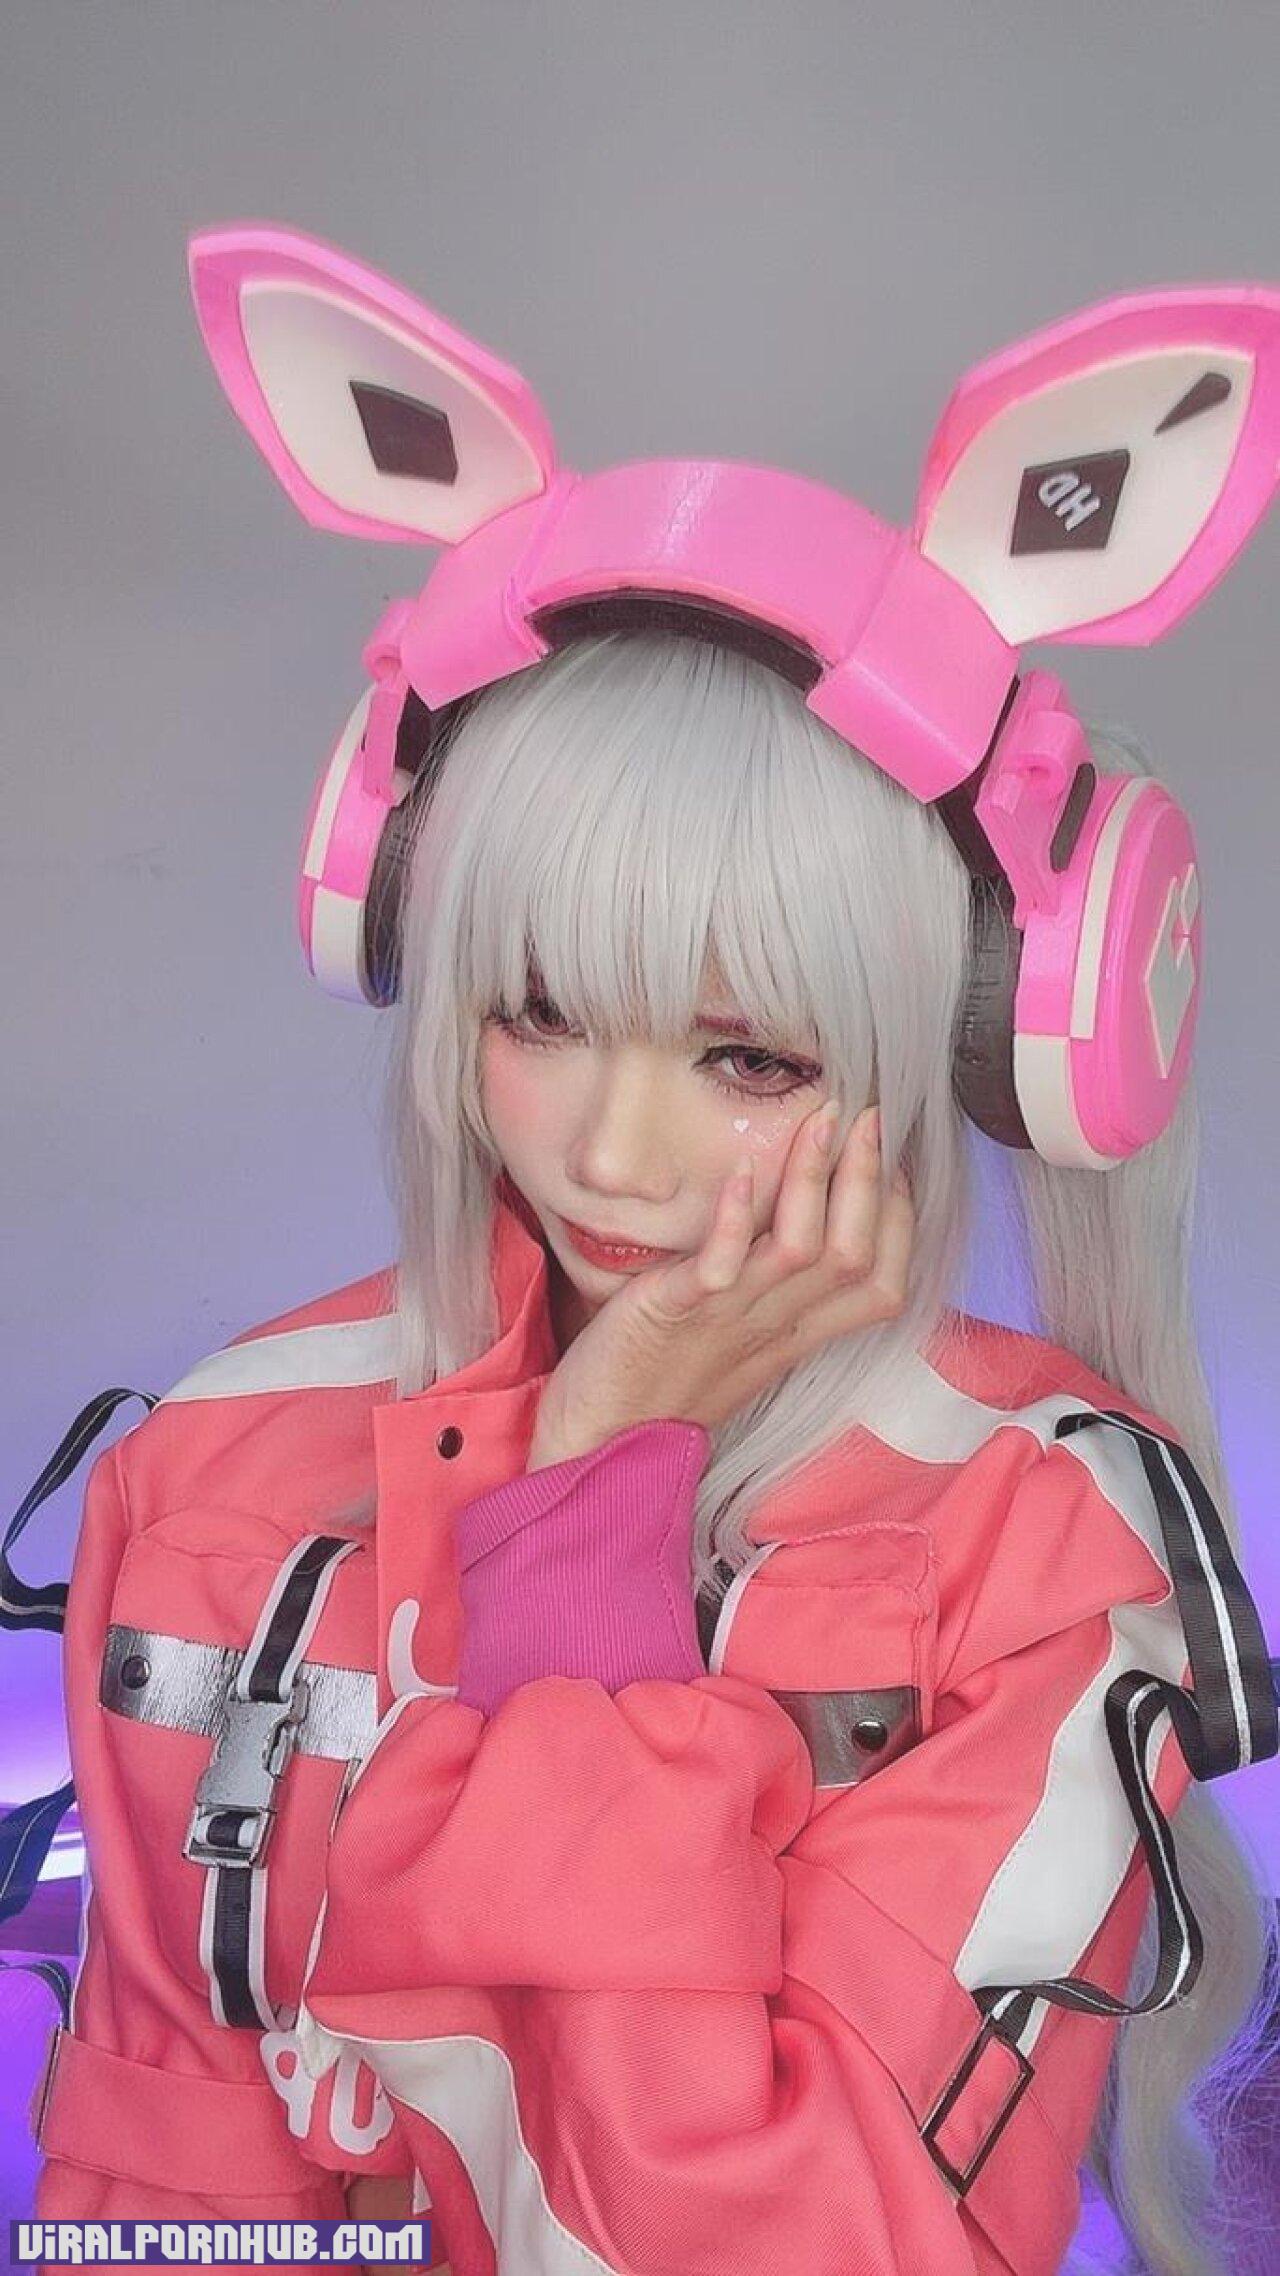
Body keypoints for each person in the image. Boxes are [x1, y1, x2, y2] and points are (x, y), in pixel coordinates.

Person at [25, 227, 1280, 2276]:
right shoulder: (216, 1463)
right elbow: (163, 2167)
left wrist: (590, 1523)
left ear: (980, 1033)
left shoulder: (1045, 1549)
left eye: (746, 1054)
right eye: (535, 1013)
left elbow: (792, 2241)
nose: (611, 1153)